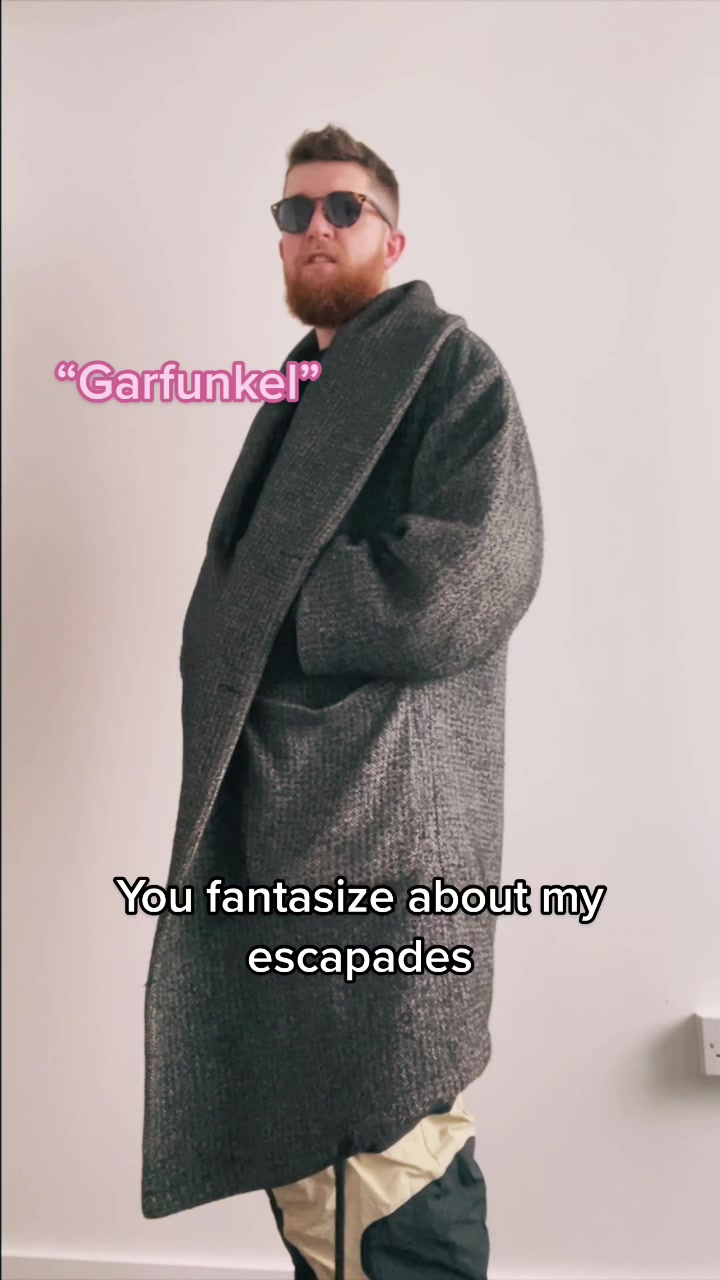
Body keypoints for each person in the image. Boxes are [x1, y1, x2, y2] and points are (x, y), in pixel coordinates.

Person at [142, 124, 544, 1280]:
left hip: (388, 828)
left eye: (342, 207)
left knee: (395, 1149)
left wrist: (286, 615)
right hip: (281, 820)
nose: (315, 227)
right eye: (294, 212)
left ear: (393, 237)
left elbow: (475, 573)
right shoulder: (299, 391)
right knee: (310, 1167)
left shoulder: (450, 368)